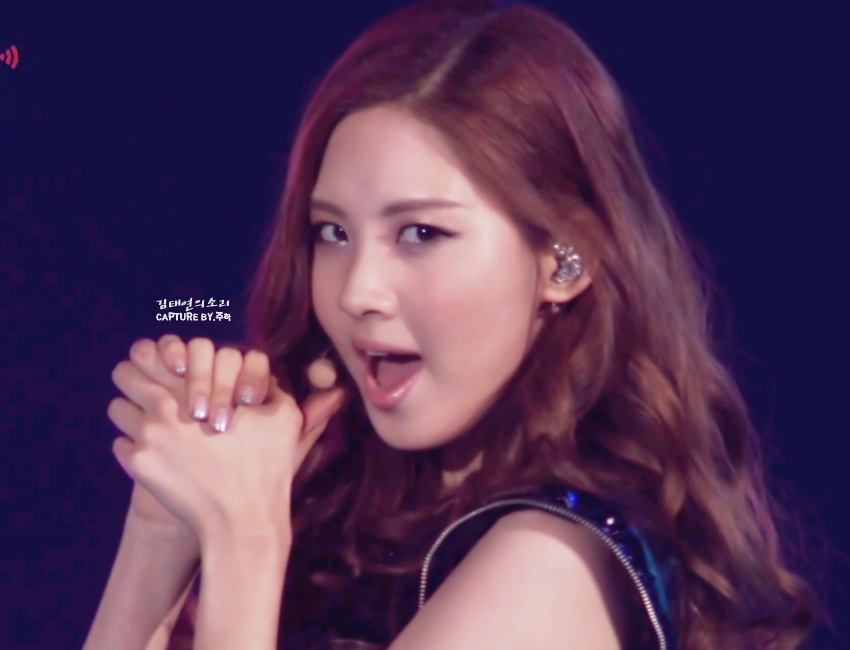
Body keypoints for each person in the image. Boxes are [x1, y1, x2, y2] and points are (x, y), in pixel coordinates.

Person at [83, 1, 817, 648]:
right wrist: (162, 528)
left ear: (565, 261)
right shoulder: (347, 525)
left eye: (421, 234)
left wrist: (242, 535)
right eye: (332, 233)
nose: (357, 292)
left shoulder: (556, 565)